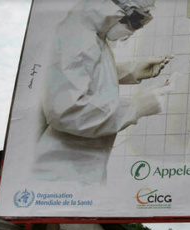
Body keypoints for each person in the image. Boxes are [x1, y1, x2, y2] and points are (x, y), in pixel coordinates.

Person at [33, 0, 173, 184]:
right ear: (112, 6)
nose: (133, 29)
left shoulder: (89, 29)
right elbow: (65, 111)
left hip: (79, 167)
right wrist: (135, 108)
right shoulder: (76, 34)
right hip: (62, 174)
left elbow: (82, 73)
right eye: (135, 19)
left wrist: (130, 71)